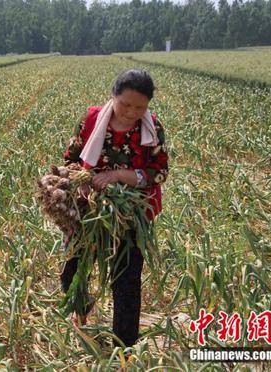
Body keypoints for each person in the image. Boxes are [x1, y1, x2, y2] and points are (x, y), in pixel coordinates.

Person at [60, 69, 169, 348]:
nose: (132, 112)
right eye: (126, 104)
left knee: (127, 278)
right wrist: (79, 182)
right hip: (89, 210)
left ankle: (125, 346)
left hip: (132, 213)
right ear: (113, 96)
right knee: (73, 267)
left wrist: (119, 176)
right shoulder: (91, 119)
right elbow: (70, 159)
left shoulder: (152, 128)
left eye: (140, 107)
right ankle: (80, 317)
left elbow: (159, 173)